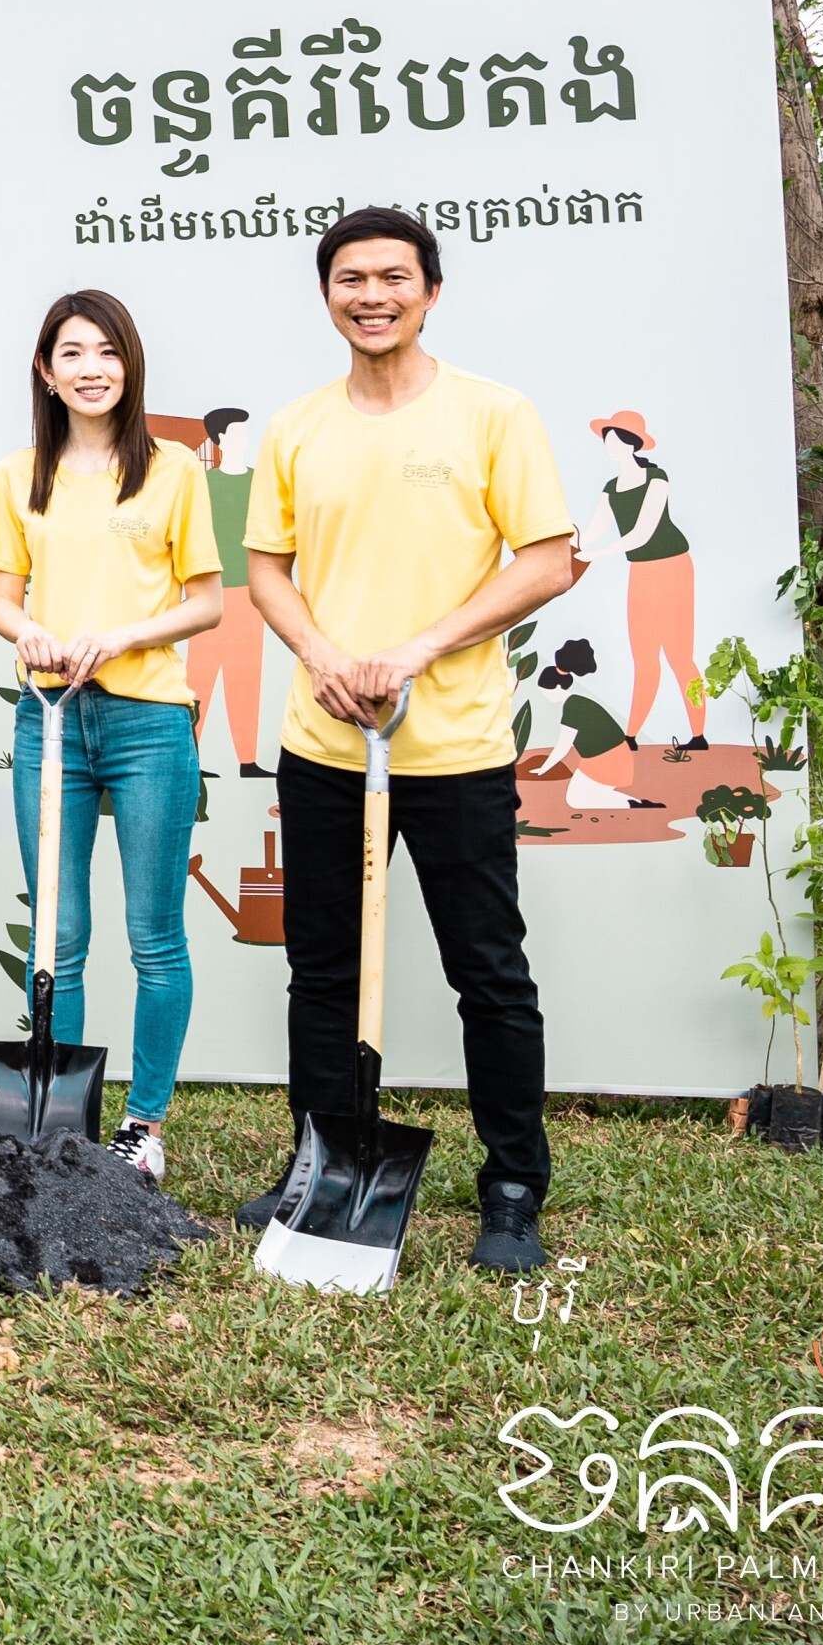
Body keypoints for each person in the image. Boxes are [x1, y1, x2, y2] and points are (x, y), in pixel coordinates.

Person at [242, 206, 580, 1275]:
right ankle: (324, 1162)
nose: (371, 293)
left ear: (431, 290)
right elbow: (265, 569)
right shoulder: (296, 427)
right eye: (351, 278)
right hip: (327, 742)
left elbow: (548, 557)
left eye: (393, 276)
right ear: (327, 294)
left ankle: (513, 1183)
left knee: (487, 970)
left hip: (456, 747)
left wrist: (417, 648)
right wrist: (328, 655)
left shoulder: (493, 413)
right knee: (321, 972)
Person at [0, 290, 222, 1184]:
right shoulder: (18, 476)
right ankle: (63, 1125)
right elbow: (3, 598)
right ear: (45, 370)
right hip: (47, 721)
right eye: (70, 352)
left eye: (105, 351)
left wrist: (121, 636)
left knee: (154, 935)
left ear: (129, 364)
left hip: (146, 720)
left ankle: (143, 1124)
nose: (89, 367)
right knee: (57, 935)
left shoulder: (171, 472)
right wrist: (25, 631)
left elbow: (206, 600)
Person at [587, 412, 705, 748]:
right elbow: (593, 529)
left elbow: (642, 532)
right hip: (641, 572)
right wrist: (566, 542)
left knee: (679, 656)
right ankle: (632, 735)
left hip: (673, 567)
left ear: (630, 443)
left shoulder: (656, 478)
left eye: (613, 437)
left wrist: (596, 555)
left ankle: (697, 735)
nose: (608, 444)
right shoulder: (611, 488)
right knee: (644, 657)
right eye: (606, 437)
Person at [184, 406, 271, 775]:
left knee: (246, 678)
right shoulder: (203, 485)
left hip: (251, 593)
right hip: (209, 592)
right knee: (197, 680)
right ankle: (189, 757)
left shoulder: (260, 482)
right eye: (238, 432)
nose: (246, 439)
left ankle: (247, 760)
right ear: (220, 439)